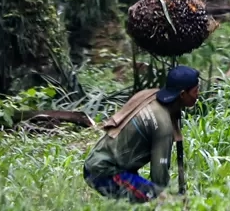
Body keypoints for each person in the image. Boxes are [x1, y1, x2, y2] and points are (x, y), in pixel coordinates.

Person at [83, 65, 201, 203]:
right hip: (105, 172)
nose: (198, 94)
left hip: (97, 163)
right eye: (195, 90)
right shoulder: (163, 125)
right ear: (182, 94)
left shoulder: (148, 96)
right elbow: (159, 177)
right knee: (162, 201)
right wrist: (168, 200)